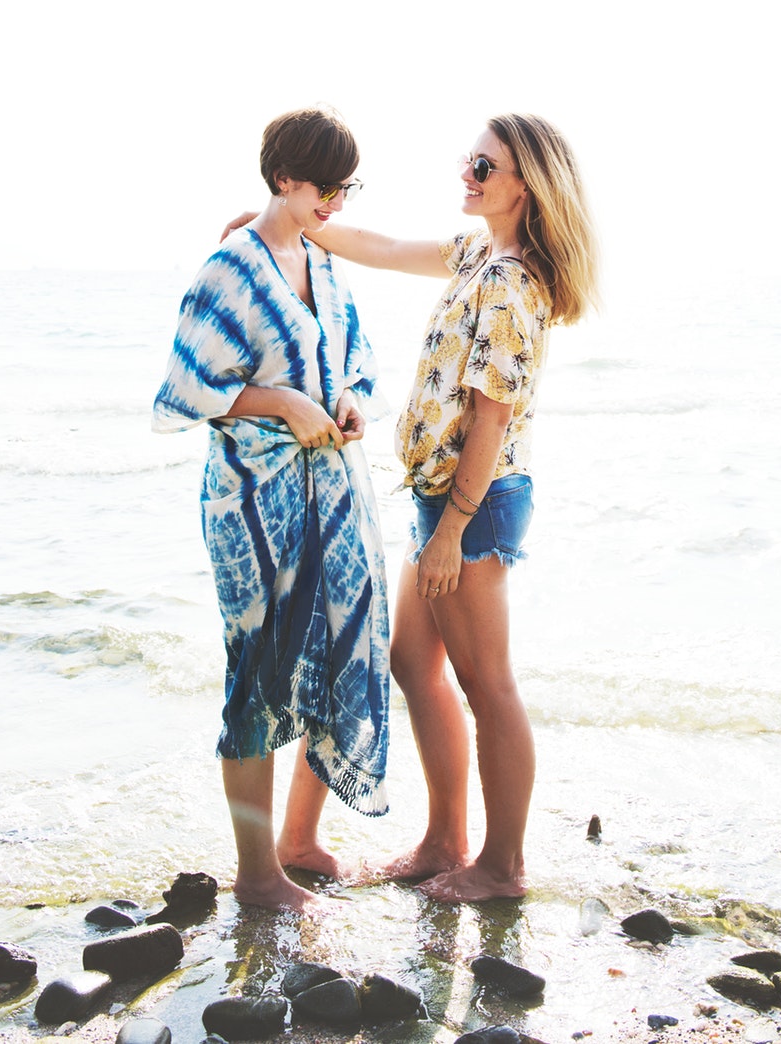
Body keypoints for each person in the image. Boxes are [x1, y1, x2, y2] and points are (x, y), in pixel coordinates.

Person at [224, 112, 598, 901]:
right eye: (470, 160)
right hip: (445, 501)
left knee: (486, 683)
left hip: (476, 506)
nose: (468, 174)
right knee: (411, 663)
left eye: (484, 167)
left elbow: (491, 419)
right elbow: (386, 251)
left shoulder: (509, 281)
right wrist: (283, 224)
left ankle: (502, 866)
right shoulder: (477, 255)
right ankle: (445, 839)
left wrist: (451, 533)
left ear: (525, 184)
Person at [154, 106, 391, 913]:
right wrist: (285, 401)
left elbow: (356, 361)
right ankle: (256, 875)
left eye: (347, 186)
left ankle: (299, 844)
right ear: (285, 176)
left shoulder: (323, 262)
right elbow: (189, 391)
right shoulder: (230, 268)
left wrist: (350, 403)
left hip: (333, 491)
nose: (337, 200)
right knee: (257, 672)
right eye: (327, 184)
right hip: (252, 500)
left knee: (335, 652)